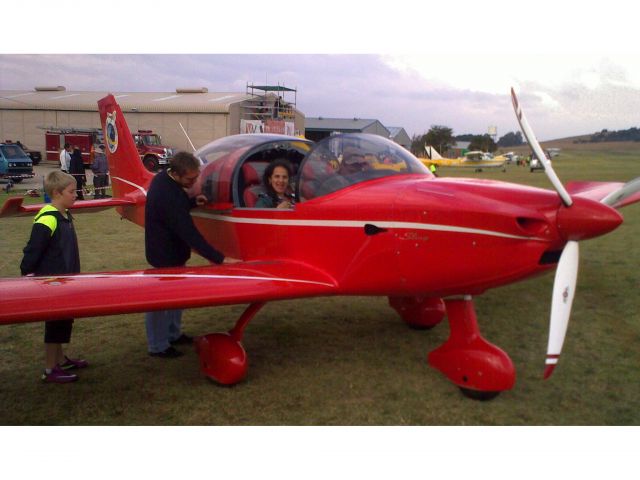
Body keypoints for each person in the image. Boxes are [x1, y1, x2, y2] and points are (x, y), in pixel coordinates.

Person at [145, 151, 241, 358]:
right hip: (163, 254)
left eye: (196, 176)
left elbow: (177, 208)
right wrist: (220, 259)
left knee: (176, 295)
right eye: (191, 179)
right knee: (159, 301)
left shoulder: (167, 181)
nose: (195, 181)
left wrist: (191, 202)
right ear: (177, 174)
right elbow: (190, 233)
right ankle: (158, 346)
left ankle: (173, 333)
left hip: (175, 252)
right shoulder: (166, 194)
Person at [20, 171, 88, 383]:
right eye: (71, 191)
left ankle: (60, 359)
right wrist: (27, 273)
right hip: (52, 282)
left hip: (66, 279)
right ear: (57, 193)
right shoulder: (48, 218)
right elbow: (33, 250)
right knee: (56, 323)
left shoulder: (64, 215)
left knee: (64, 321)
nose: (76, 195)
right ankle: (50, 369)